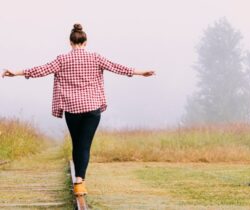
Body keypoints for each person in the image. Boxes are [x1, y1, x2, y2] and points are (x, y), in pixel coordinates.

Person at [2, 23, 155, 195]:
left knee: (77, 144)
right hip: (92, 108)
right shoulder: (95, 58)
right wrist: (141, 72)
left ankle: (79, 181)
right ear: (85, 42)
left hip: (72, 109)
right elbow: (117, 67)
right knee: (85, 146)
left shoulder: (62, 59)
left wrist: (15, 72)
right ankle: (80, 182)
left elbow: (41, 70)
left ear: (70, 42)